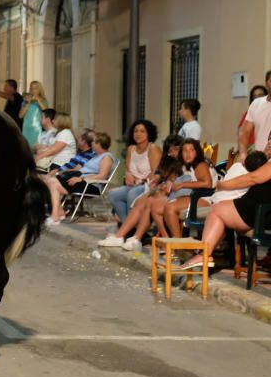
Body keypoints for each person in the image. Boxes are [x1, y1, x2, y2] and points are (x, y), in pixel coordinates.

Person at [177, 143, 271, 271]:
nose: (270, 142)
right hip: (255, 207)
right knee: (219, 209)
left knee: (217, 210)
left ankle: (203, 255)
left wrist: (223, 185)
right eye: (269, 138)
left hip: (259, 212)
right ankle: (204, 254)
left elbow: (252, 178)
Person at [43, 132, 115, 225]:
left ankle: (56, 215)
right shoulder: (96, 156)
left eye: (93, 142)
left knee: (52, 182)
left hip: (91, 186)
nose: (91, 144)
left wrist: (81, 179)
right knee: (50, 180)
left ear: (99, 144)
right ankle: (57, 214)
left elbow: (102, 176)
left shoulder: (106, 157)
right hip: (80, 181)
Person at [107, 119, 162, 224]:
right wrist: (127, 174)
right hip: (133, 186)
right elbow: (128, 169)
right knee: (113, 194)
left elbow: (155, 174)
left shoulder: (153, 149)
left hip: (148, 186)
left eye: (142, 131)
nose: (138, 134)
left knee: (132, 193)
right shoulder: (130, 149)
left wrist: (139, 182)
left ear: (149, 133)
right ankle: (128, 225)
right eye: (136, 131)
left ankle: (132, 227)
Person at [239, 72, 271, 157]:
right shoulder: (256, 103)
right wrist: (243, 154)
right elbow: (244, 132)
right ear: (267, 83)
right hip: (259, 158)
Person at [237, 85, 269, 151]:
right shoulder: (248, 113)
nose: (257, 98)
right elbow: (241, 131)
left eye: (260, 95)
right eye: (254, 96)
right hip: (251, 148)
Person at [20, 80, 49, 148]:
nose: (33, 90)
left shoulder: (43, 101)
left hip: (36, 129)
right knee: (26, 149)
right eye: (31, 88)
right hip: (26, 128)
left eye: (35, 88)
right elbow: (20, 116)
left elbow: (46, 112)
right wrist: (28, 102)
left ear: (39, 90)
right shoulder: (25, 101)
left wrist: (38, 100)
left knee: (35, 149)